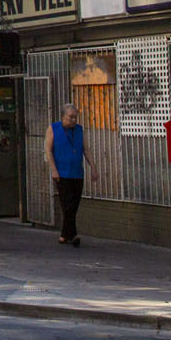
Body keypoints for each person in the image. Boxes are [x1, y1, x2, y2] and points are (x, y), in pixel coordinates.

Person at [48, 103, 95, 247]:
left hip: (77, 173)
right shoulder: (53, 128)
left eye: (75, 117)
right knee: (67, 205)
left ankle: (65, 235)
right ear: (63, 117)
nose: (73, 120)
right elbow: (48, 150)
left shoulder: (79, 130)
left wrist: (93, 167)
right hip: (62, 173)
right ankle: (73, 235)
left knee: (74, 205)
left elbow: (86, 149)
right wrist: (53, 169)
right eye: (70, 117)